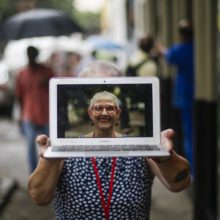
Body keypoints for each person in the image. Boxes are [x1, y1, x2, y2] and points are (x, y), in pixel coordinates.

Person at [28, 61, 191, 220]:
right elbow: (39, 197)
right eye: (98, 105)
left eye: (110, 105)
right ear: (90, 112)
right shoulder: (66, 146)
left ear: (118, 112)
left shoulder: (140, 145)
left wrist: (166, 156)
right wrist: (48, 161)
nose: (104, 112)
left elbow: (179, 184)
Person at [156, 19, 194, 175]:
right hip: (192, 95)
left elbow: (168, 55)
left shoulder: (180, 49)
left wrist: (160, 48)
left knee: (189, 133)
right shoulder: (197, 48)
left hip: (186, 96)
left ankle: (192, 168)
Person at [16, 46, 55, 173]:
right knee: (30, 148)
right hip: (29, 115)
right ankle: (33, 173)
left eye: (33, 54)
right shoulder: (22, 74)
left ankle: (49, 173)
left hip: (47, 116)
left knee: (50, 146)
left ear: (36, 55)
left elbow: (57, 91)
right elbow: (19, 97)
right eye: (29, 54)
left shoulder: (47, 71)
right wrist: (20, 117)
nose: (31, 57)